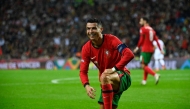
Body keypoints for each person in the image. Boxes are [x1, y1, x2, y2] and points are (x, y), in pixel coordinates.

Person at [79, 18, 134, 109]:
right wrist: (86, 85)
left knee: (104, 76)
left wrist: (114, 69)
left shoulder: (112, 40)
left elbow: (129, 54)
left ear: (101, 29)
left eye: (94, 28)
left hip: (122, 75)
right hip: (106, 83)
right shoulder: (86, 48)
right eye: (88, 29)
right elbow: (83, 71)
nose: (90, 31)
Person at [133, 17, 164, 85]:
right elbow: (156, 40)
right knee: (145, 65)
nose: (139, 22)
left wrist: (137, 48)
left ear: (145, 21)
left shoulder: (143, 29)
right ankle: (144, 81)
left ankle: (155, 75)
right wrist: (161, 49)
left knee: (143, 65)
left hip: (145, 49)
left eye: (141, 21)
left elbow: (141, 40)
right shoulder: (152, 30)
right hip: (151, 50)